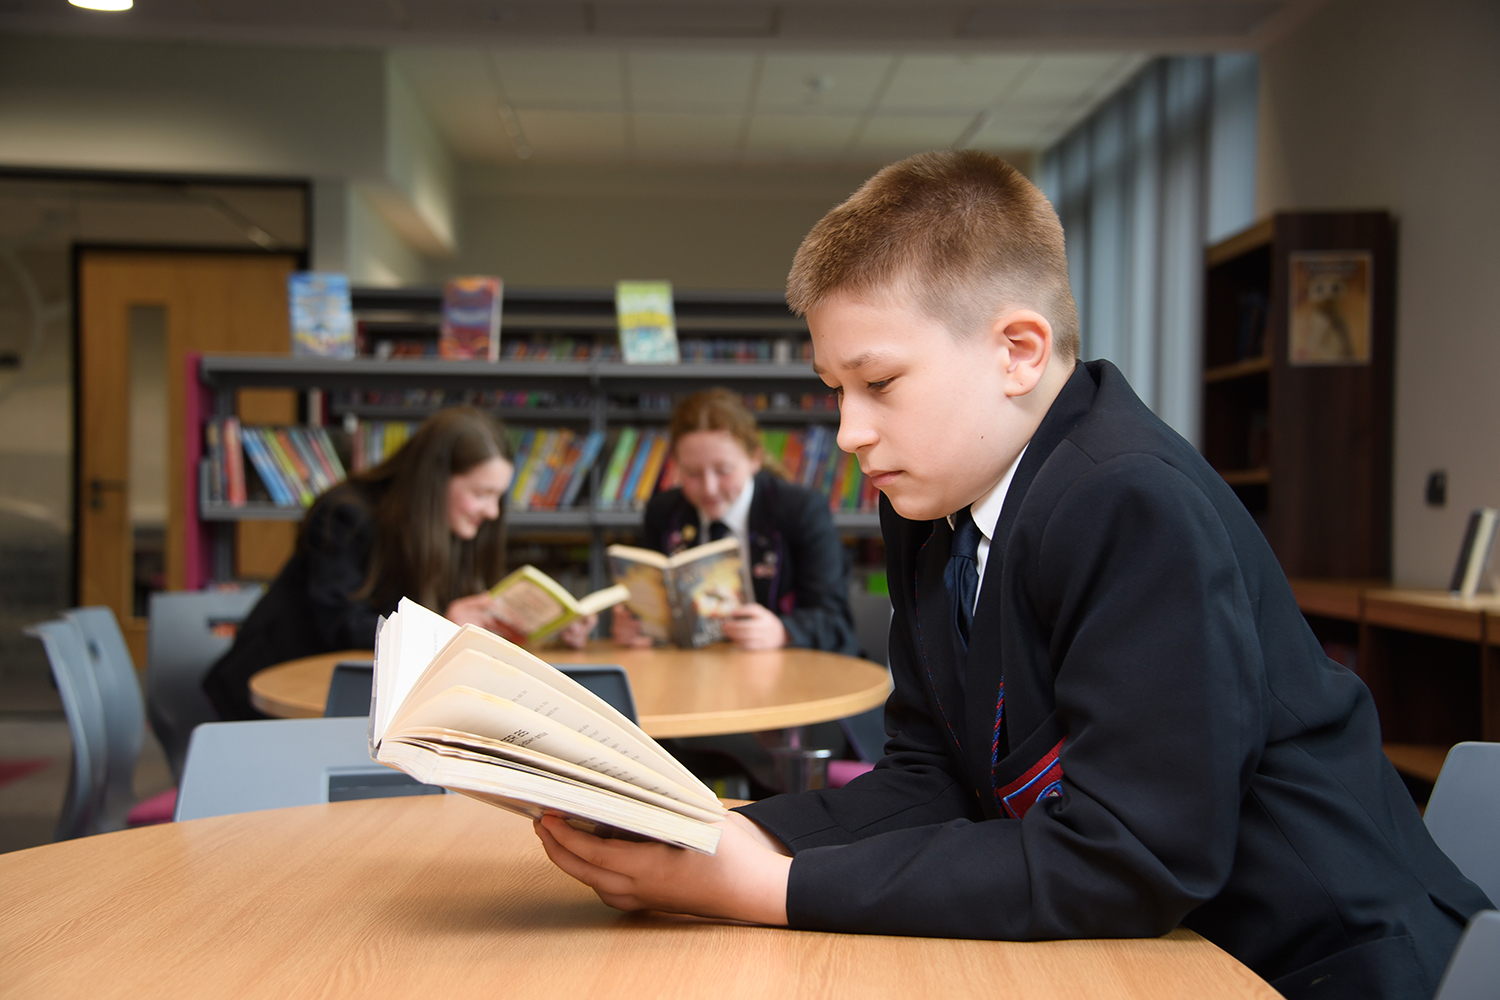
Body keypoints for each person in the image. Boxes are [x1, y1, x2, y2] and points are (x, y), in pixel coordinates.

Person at [534, 151, 1492, 1000]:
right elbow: (934, 776)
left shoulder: (1130, 503)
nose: (848, 433)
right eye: (836, 391)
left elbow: (1132, 859)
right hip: (1164, 950)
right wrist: (717, 829)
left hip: (1314, 965)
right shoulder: (930, 499)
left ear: (1017, 352)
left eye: (879, 384)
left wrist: (768, 886)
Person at [204, 406, 589, 720]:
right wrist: (439, 625)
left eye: (497, 497)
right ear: (434, 482)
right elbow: (339, 628)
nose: (491, 511)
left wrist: (547, 628)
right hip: (281, 700)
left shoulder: (454, 529)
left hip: (376, 701)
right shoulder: (345, 515)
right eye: (480, 493)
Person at [613, 387, 859, 656]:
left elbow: (835, 621)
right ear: (676, 466)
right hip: (697, 673)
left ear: (754, 459)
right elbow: (656, 608)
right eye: (692, 473)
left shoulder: (800, 510)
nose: (709, 488)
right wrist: (639, 624)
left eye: (724, 470)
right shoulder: (664, 511)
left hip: (789, 670)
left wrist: (782, 630)